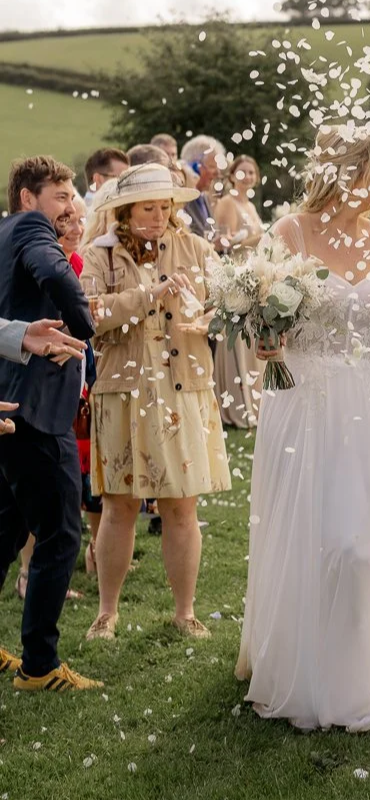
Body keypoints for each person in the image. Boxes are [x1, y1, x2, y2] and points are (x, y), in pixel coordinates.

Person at [235, 125, 370, 733]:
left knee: (359, 541)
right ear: (347, 170)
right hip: (301, 398)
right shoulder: (290, 232)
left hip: (362, 399)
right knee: (305, 533)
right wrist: (266, 341)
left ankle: (360, 663)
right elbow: (263, 317)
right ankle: (301, 664)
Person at [80, 164, 231, 642]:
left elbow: (228, 305)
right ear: (125, 210)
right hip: (122, 391)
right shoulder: (98, 255)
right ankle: (107, 612)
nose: (160, 214)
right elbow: (90, 317)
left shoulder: (195, 248)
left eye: (166, 206)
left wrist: (210, 321)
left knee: (181, 506)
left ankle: (185, 612)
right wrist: (149, 295)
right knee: (119, 504)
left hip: (182, 388)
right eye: (149, 206)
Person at [0, 156, 101, 691]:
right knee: (61, 533)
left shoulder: (5, 235)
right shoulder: (29, 230)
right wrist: (85, 327)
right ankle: (39, 666)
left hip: (10, 407)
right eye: (59, 197)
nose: (69, 206)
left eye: (72, 197)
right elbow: (52, 273)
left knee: (5, 529)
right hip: (34, 411)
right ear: (27, 199)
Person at [17, 199, 94, 599]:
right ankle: (30, 575)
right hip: (33, 400)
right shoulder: (36, 265)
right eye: (67, 219)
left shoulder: (76, 264)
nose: (77, 226)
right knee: (47, 512)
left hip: (67, 391)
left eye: (81, 219)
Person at [212, 156, 266, 428]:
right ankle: (236, 403)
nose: (248, 176)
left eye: (252, 171)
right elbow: (223, 243)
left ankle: (253, 400)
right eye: (243, 171)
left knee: (252, 340)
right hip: (236, 276)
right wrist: (257, 238)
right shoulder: (227, 203)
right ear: (232, 176)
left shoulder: (249, 205)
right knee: (239, 339)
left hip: (252, 276)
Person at [179, 136, 226, 242]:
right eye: (213, 166)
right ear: (195, 167)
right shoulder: (181, 201)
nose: (218, 173)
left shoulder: (203, 197)